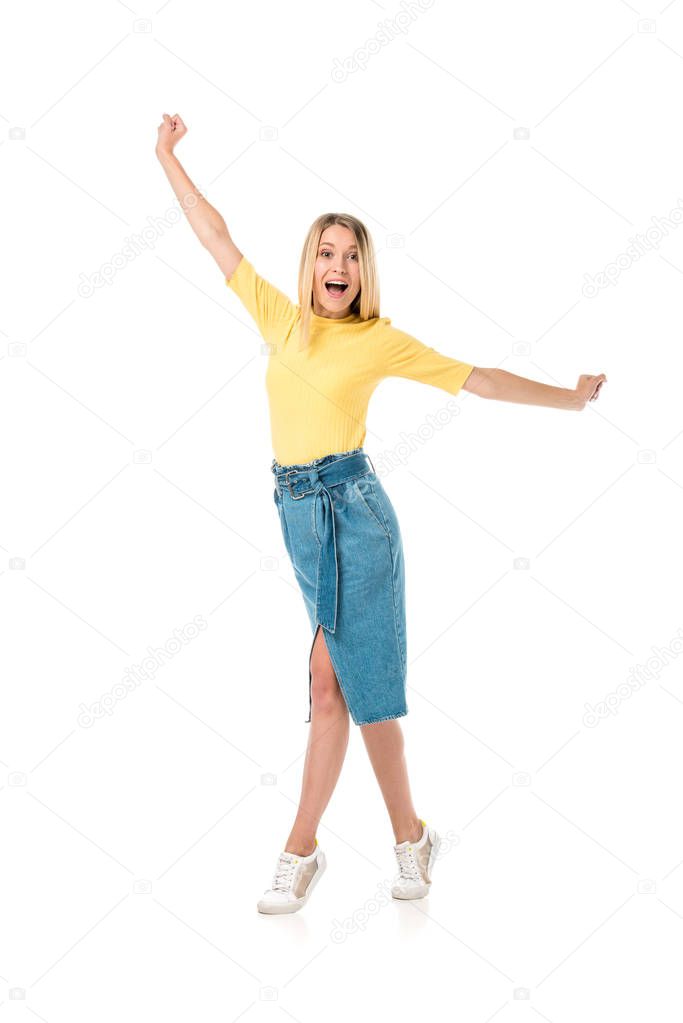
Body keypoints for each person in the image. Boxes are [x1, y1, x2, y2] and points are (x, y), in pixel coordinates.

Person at [156, 112, 607, 915]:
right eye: (326, 252)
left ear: (364, 275)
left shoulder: (377, 339)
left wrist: (569, 401)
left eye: (352, 256)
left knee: (340, 686)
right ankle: (410, 833)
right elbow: (213, 234)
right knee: (343, 688)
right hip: (297, 518)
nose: (339, 264)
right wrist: (166, 156)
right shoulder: (278, 319)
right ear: (309, 266)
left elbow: (483, 380)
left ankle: (305, 846)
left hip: (355, 517)